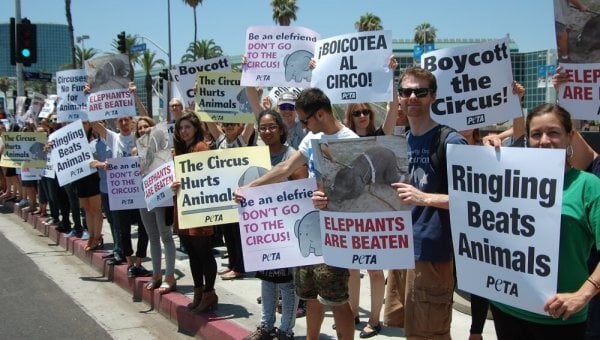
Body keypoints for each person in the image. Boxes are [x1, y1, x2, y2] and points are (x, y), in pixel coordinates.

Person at [236, 87, 358, 340]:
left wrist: (331, 199)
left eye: (305, 120)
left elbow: (359, 194)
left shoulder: (350, 141)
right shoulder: (311, 138)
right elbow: (285, 168)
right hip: (310, 232)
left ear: (321, 114)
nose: (302, 126)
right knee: (310, 296)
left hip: (336, 234)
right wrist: (250, 188)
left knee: (336, 300)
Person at [488, 103, 600, 340]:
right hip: (507, 309)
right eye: (536, 134)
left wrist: (584, 293)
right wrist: (486, 158)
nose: (545, 140)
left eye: (554, 132)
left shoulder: (588, 186)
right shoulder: (511, 181)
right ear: (527, 139)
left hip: (560, 318)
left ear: (570, 136)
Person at [390, 66, 468, 339]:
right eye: (406, 91)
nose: (412, 97)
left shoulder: (450, 140)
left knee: (431, 333)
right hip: (402, 250)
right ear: (398, 97)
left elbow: (473, 200)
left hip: (433, 254)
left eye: (420, 92)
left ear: (432, 96)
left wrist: (424, 198)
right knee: (411, 329)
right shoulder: (402, 141)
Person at [243, 109, 307, 340]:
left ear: (281, 129)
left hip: (288, 230)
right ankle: (266, 326)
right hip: (263, 229)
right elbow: (244, 186)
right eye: (263, 128)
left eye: (272, 127)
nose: (267, 131)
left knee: (287, 283)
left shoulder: (292, 155)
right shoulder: (254, 157)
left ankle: (286, 330)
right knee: (267, 280)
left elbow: (301, 190)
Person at [171, 112, 218, 311]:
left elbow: (208, 176)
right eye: (181, 128)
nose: (184, 131)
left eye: (187, 127)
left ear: (196, 128)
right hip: (184, 206)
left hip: (198, 207)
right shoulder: (180, 150)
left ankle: (209, 292)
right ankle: (198, 291)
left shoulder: (201, 148)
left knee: (203, 252)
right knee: (192, 252)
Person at [206, 120, 255, 280]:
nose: (229, 126)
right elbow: (209, 122)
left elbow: (250, 122)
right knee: (228, 233)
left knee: (238, 233)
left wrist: (255, 98)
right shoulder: (220, 139)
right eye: (226, 124)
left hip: (239, 194)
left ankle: (240, 267)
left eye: (232, 124)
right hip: (223, 195)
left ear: (239, 125)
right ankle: (232, 264)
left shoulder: (241, 140)